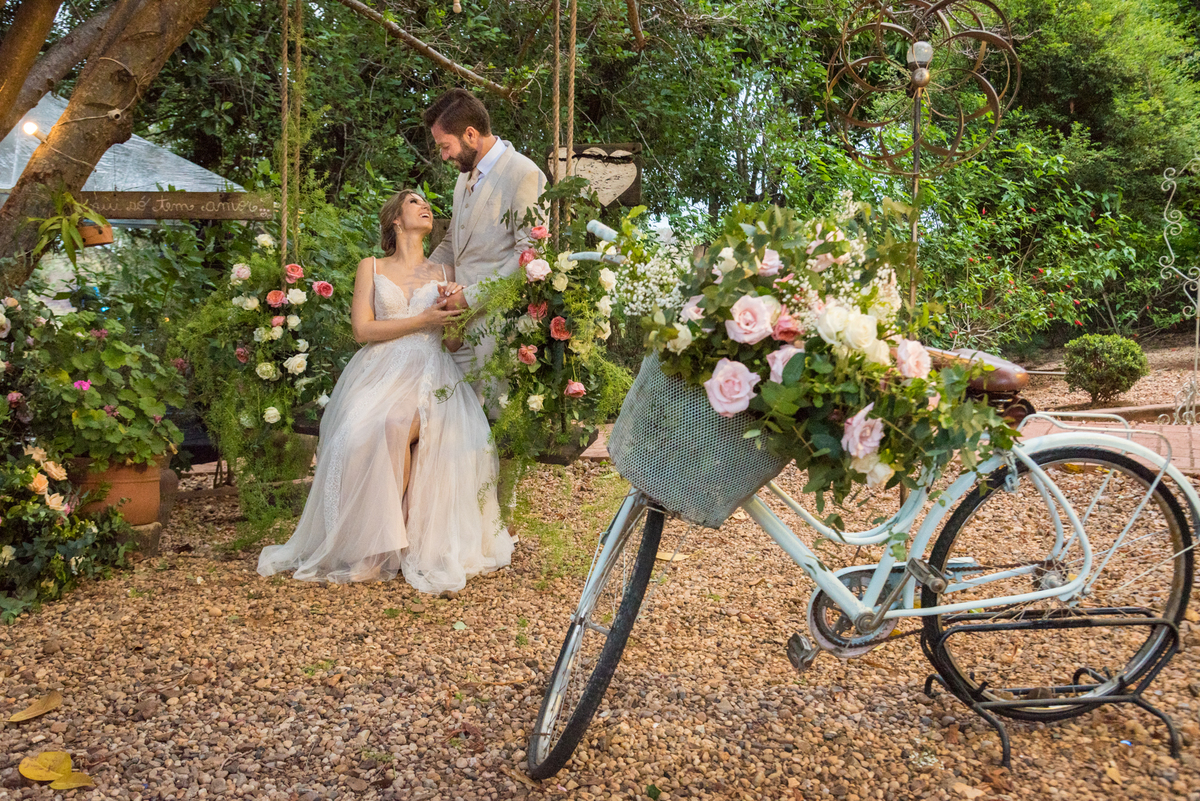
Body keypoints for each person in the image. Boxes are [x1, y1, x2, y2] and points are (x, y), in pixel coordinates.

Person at [257, 190, 513, 593]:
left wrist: (451, 319)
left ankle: (381, 552)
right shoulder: (371, 267)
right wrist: (424, 318)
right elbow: (363, 330)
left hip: (430, 372)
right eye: (414, 202)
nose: (425, 206)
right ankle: (358, 538)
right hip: (379, 370)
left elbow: (452, 345)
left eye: (427, 202)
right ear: (396, 219)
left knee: (395, 425)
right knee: (355, 434)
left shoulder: (443, 274)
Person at [424, 88, 548, 403]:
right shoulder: (463, 178)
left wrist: (470, 297)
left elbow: (530, 256)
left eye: (445, 146)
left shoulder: (524, 173)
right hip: (457, 329)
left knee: (496, 423)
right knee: (453, 416)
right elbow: (454, 241)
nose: (444, 156)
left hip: (498, 328)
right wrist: (415, 274)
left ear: (470, 134)